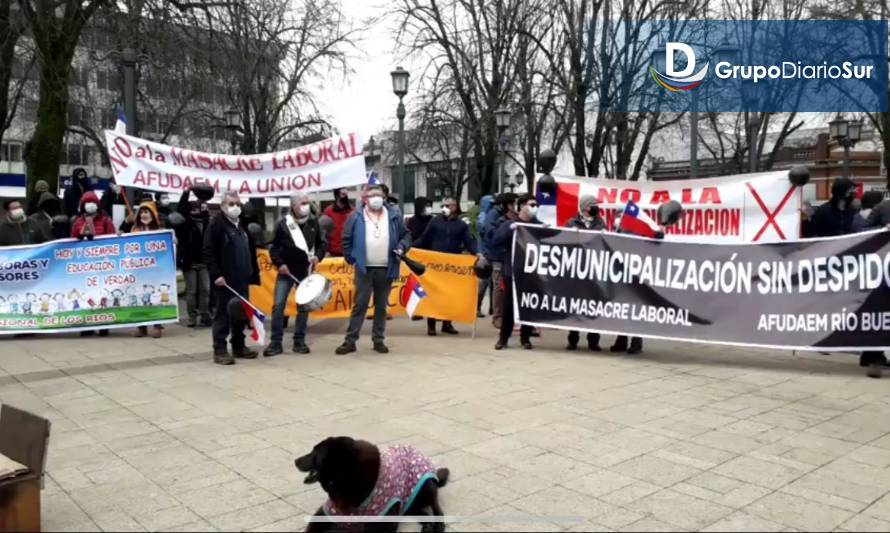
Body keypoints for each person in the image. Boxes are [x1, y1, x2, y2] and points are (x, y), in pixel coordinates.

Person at [336, 185, 410, 355]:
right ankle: (350, 341)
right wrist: (351, 258)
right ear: (365, 198)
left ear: (384, 197)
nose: (376, 198)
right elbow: (346, 238)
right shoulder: (355, 216)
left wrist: (401, 247)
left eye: (379, 195)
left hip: (386, 268)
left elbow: (406, 235)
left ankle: (378, 340)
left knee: (381, 307)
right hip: (364, 269)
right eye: (372, 195)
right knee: (359, 306)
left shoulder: (393, 215)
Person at [265, 192, 327, 357]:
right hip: (286, 271)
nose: (306, 206)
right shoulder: (284, 224)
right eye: (303, 203)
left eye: (307, 202)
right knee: (278, 306)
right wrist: (280, 264)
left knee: (303, 307)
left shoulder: (314, 223)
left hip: (305, 271)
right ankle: (275, 342)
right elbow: (273, 247)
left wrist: (317, 257)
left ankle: (299, 341)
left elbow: (322, 244)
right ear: (294, 206)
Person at [203, 191, 261, 365]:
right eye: (231, 204)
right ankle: (220, 350)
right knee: (223, 315)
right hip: (225, 281)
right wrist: (216, 274)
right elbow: (208, 251)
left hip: (242, 279)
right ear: (222, 206)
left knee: (240, 315)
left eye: (237, 203)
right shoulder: (216, 225)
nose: (235, 207)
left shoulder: (241, 225)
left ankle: (238, 345)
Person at [412, 196, 478, 336]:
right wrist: (410, 248)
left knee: (450, 294)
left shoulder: (461, 225)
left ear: (454, 207)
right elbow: (424, 239)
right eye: (443, 205)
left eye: (448, 205)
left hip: (452, 266)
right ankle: (431, 325)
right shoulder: (434, 222)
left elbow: (468, 241)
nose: (444, 208)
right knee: (433, 294)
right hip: (435, 265)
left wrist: (477, 252)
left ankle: (447, 323)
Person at [490, 194, 538, 350]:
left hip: (530, 273)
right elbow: (495, 241)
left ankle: (525, 338)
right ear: (522, 206)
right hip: (512, 272)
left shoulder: (537, 225)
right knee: (509, 306)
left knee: (528, 306)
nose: (534, 207)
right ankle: (503, 339)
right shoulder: (511, 224)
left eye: (535, 204)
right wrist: (509, 230)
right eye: (531, 204)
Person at [71, 191, 117, 337]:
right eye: (86, 202)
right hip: (85, 266)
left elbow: (112, 240)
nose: (90, 205)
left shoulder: (105, 221)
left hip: (102, 265)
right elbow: (71, 242)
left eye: (92, 202)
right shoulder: (78, 222)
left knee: (102, 294)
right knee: (87, 295)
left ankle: (103, 324)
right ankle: (87, 324)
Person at [564, 196, 604, 351]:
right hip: (576, 270)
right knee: (576, 305)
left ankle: (593, 341)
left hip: (594, 271)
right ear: (585, 207)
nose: (596, 207)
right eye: (593, 205)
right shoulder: (571, 223)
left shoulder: (600, 223)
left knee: (594, 306)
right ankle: (573, 339)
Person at [176, 188, 212, 328]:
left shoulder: (208, 223)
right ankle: (192, 317)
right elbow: (181, 208)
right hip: (190, 262)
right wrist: (185, 192)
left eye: (200, 208)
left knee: (205, 290)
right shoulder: (186, 224)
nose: (198, 210)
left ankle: (205, 315)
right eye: (195, 208)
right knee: (192, 291)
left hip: (204, 261)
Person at [129, 202, 164, 338]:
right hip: (139, 271)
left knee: (155, 297)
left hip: (156, 271)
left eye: (147, 212)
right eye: (142, 212)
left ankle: (157, 325)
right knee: (140, 297)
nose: (144, 215)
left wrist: (173, 240)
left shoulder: (160, 231)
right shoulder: (134, 230)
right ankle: (142, 327)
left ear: (153, 215)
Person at [484, 193, 517, 331]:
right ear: (509, 205)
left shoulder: (519, 219)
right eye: (515, 203)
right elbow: (491, 237)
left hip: (514, 258)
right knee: (499, 287)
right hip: (498, 257)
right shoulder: (497, 218)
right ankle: (498, 316)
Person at [476, 195, 495, 317]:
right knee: (484, 281)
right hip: (485, 252)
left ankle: (492, 308)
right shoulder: (483, 217)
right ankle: (477, 306)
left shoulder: (488, 215)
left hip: (490, 251)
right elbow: (485, 231)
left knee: (493, 282)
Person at [322, 188, 354, 257]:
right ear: (337, 196)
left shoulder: (353, 211)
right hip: (332, 253)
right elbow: (323, 234)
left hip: (349, 252)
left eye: (346, 194)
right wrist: (325, 250)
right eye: (343, 194)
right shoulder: (328, 211)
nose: (345, 197)